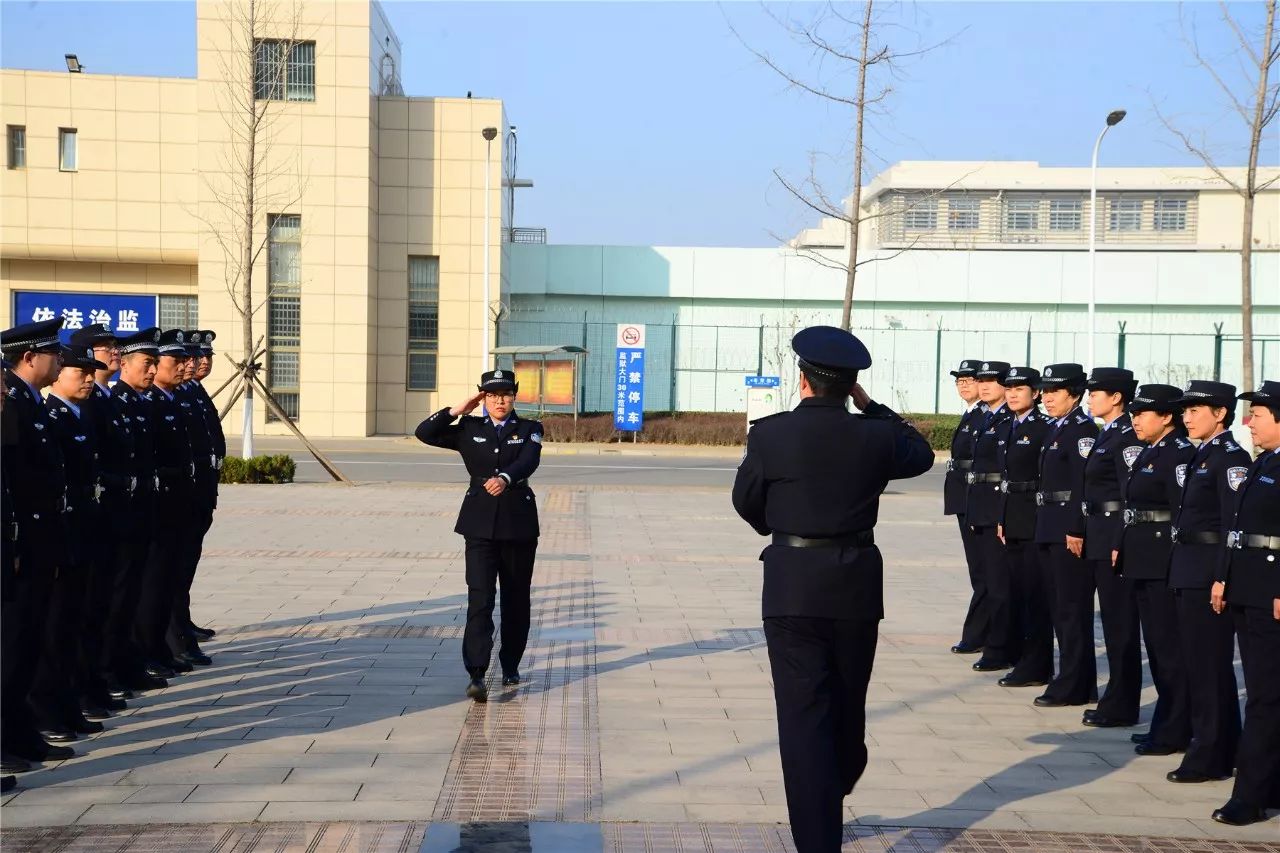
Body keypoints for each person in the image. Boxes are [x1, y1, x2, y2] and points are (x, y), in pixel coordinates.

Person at [732, 326, 933, 853]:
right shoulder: (877, 435)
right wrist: (871, 406)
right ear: (851, 385)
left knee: (803, 719)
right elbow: (921, 454)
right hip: (855, 586)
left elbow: (746, 501)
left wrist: (780, 528)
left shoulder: (770, 434)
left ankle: (818, 827)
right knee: (847, 705)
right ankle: (835, 778)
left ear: (802, 380)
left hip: (792, 586)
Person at [415, 369, 544, 702]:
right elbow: (424, 432)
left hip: (518, 525)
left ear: (515, 396)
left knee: (516, 599)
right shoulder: (468, 429)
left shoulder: (530, 429)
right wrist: (459, 409)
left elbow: (529, 461)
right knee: (480, 598)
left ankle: (511, 663)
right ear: (482, 399)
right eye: (491, 395)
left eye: (505, 394)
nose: (499, 400)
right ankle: (476, 673)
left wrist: (505, 476)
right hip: (479, 526)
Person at [0, 318, 76, 763]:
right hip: (22, 545)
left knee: (30, 640)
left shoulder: (29, 402)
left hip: (38, 539)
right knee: (14, 644)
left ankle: (20, 729)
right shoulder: (13, 404)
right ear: (29, 357)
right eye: (54, 353)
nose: (61, 360)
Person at [1167, 380, 1250, 784]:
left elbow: (1232, 525)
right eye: (1185, 410)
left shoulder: (1229, 459)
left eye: (1196, 410)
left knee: (1209, 667)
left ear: (1220, 414)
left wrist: (1222, 576)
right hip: (1188, 566)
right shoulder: (1202, 456)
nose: (1187, 417)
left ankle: (1209, 754)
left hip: (1207, 574)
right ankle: (1221, 746)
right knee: (1198, 665)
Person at [1211, 379, 1280, 826]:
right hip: (1250, 590)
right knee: (1265, 693)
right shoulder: (1266, 462)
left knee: (1266, 698)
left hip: (1271, 595)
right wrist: (1225, 579)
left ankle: (1251, 794)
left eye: (1256, 415)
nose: (1246, 422)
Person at [32, 346, 110, 743]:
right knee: (54, 626)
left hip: (84, 531)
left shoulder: (82, 413)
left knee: (76, 621)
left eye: (89, 372)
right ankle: (47, 710)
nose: (86, 378)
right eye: (78, 370)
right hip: (61, 534)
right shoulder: (52, 416)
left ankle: (67, 702)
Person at [1113, 385, 1194, 756]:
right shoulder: (1152, 450)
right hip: (1143, 557)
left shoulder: (1178, 455)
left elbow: (1182, 513)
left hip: (1162, 560)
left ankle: (1176, 726)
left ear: (1166, 417)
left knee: (1169, 648)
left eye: (1143, 414)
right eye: (1133, 414)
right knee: (1158, 648)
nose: (1135, 420)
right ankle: (1166, 720)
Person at [68, 324, 138, 705]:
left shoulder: (104, 397)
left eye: (114, 347)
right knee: (92, 605)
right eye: (105, 348)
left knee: (112, 598)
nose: (114, 353)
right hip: (95, 519)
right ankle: (95, 677)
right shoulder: (88, 403)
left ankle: (107, 670)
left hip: (115, 514)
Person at [1078, 368, 1145, 730]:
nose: (1090, 398)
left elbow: (1128, 493)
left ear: (1116, 397)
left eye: (1096, 392)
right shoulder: (1111, 433)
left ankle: (1121, 703)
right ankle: (1115, 698)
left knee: (1120, 625)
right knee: (1114, 621)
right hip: (1099, 533)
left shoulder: (1126, 436)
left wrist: (1120, 540)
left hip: (1113, 537)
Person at [1031, 363, 1099, 710]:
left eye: (1055, 392)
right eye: (1044, 391)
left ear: (1075, 394)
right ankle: (1080, 681)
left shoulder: (1081, 431)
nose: (1047, 398)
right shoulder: (1058, 428)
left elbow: (1082, 484)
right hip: (1049, 524)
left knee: (1071, 610)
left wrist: (1076, 527)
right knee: (1059, 608)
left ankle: (1071, 683)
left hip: (1066, 530)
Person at [109, 328, 171, 690]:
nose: (152, 371)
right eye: (146, 364)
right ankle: (119, 665)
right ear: (125, 365)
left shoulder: (143, 402)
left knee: (141, 590)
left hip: (150, 509)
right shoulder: (119, 401)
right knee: (121, 597)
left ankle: (137, 658)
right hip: (125, 515)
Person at [994, 367, 1055, 688]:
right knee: (1017, 592)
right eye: (1009, 388)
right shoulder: (1008, 426)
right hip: (1014, 518)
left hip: (1035, 519)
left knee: (1035, 596)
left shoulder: (1043, 428)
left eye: (1020, 388)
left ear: (1037, 393)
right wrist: (1003, 517)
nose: (1013, 393)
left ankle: (1037, 664)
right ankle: (1022, 658)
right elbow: (1008, 480)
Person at [962, 362, 1016, 672]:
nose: (983, 386)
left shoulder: (1008, 419)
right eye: (980, 381)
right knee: (986, 578)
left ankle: (999, 647)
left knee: (999, 584)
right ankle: (995, 642)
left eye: (991, 381)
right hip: (980, 506)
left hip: (997, 507)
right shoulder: (986, 417)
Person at [943, 359, 989, 655]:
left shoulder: (985, 416)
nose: (963, 384)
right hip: (965, 496)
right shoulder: (971, 414)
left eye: (968, 380)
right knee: (979, 571)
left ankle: (979, 634)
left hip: (977, 498)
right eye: (959, 380)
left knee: (984, 571)